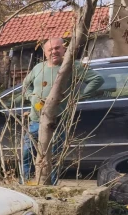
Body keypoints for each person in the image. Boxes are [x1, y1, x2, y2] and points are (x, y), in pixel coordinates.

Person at [19, 37, 104, 184]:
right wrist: (31, 96)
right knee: (27, 153)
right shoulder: (38, 68)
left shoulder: (72, 66)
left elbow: (97, 79)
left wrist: (79, 96)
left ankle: (50, 186)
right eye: (50, 49)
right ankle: (24, 184)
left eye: (57, 48)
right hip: (35, 120)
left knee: (53, 157)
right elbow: (26, 85)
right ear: (45, 53)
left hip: (57, 121)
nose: (54, 52)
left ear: (64, 49)